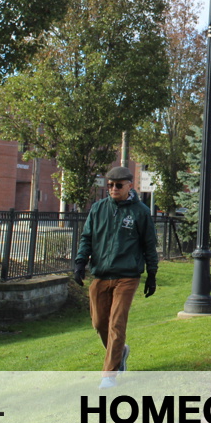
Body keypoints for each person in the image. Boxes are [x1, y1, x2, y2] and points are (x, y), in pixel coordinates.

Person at [74, 166, 159, 389]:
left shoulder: (140, 212)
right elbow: (87, 237)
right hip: (101, 274)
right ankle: (121, 352)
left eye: (118, 185)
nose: (113, 188)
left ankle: (109, 375)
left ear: (130, 185)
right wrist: (80, 262)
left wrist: (152, 274)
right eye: (110, 185)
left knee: (116, 323)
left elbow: (149, 245)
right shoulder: (98, 208)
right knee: (99, 323)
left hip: (127, 276)